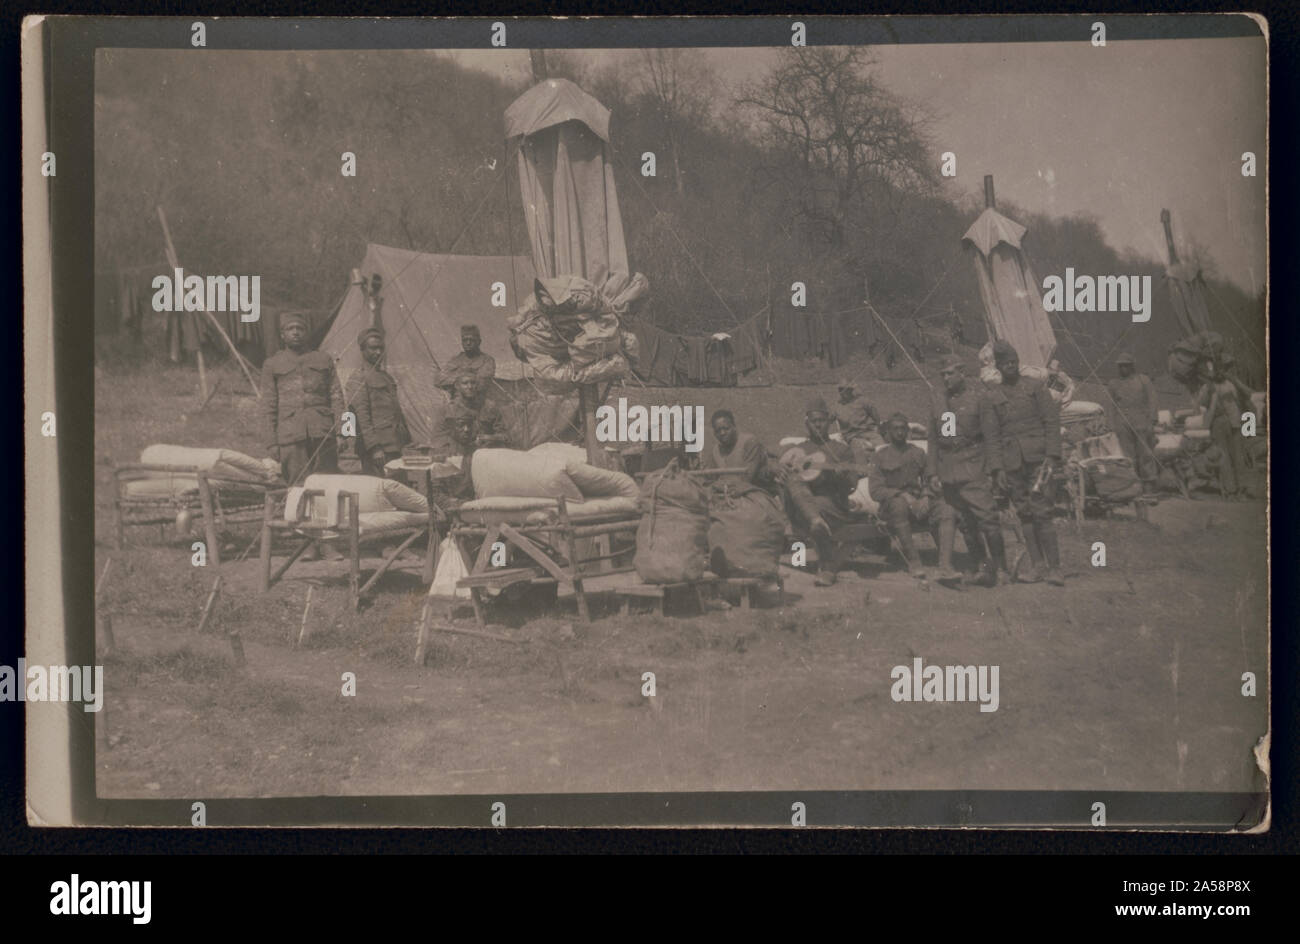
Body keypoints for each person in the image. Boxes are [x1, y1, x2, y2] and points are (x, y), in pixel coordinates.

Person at [989, 340, 1064, 585]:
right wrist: (997, 468)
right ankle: (1037, 566)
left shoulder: (1035, 387)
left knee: (1042, 511)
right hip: (1012, 464)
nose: (1011, 366)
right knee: (1024, 513)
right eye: (1005, 363)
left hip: (1039, 460)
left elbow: (1051, 422)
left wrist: (1052, 456)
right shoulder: (994, 395)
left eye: (1014, 362)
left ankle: (1055, 569)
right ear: (998, 366)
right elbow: (993, 436)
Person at [926, 355, 1005, 585]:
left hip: (974, 466)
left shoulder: (980, 399)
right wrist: (932, 472)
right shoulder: (938, 400)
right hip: (949, 471)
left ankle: (1001, 569)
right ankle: (980, 564)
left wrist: (996, 469)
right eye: (942, 374)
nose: (945, 378)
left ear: (963, 374)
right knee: (965, 523)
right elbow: (933, 439)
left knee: (987, 519)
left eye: (950, 373)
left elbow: (991, 437)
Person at [783, 398, 869, 587]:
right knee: (791, 481)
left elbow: (851, 485)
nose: (817, 424)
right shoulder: (798, 450)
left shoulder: (842, 450)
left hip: (832, 504)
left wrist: (840, 476)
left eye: (821, 420)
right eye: (813, 420)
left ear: (829, 422)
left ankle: (828, 567)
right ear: (807, 423)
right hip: (799, 505)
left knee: (819, 506)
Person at [261, 313, 343, 485]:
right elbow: (267, 407)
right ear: (282, 335)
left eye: (300, 328)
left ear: (307, 333)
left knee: (327, 484)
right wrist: (271, 444)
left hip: (323, 433)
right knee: (297, 486)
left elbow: (339, 398)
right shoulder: (272, 364)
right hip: (290, 437)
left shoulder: (323, 359)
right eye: (290, 329)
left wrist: (345, 433)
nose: (296, 332)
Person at [870, 412, 949, 580]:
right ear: (889, 432)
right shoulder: (880, 455)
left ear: (908, 431)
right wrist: (901, 495)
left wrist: (926, 496)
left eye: (903, 429)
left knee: (945, 509)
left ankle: (946, 564)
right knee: (899, 505)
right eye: (895, 429)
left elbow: (930, 478)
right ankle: (914, 562)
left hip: (918, 502)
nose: (899, 432)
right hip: (891, 508)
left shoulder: (918, 452)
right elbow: (875, 490)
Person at [345, 327, 411, 475]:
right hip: (377, 449)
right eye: (373, 348)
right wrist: (374, 447)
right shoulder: (358, 378)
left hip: (393, 444)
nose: (378, 352)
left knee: (397, 488)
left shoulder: (386, 377)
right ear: (362, 350)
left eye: (381, 348)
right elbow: (361, 416)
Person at [1198, 356, 1255, 499]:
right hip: (1218, 424)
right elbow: (1201, 406)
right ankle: (1230, 490)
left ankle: (1242, 488)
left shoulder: (1231, 383)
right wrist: (1211, 393)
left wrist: (1234, 381)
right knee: (1223, 458)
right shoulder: (1207, 387)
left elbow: (1248, 395)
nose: (1220, 373)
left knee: (1238, 456)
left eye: (1222, 370)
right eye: (1217, 370)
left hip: (1236, 423)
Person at [1106, 352, 1159, 494]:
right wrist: (1111, 425)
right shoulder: (1113, 384)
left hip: (1142, 422)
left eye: (1126, 366)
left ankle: (1149, 486)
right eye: (1120, 366)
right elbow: (1111, 406)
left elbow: (1152, 399)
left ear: (1132, 366)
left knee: (1145, 454)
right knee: (1127, 456)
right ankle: (1132, 487)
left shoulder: (1144, 380)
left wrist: (1153, 419)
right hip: (1123, 424)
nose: (1123, 369)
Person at [701, 410, 780, 492]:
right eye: (718, 431)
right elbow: (711, 480)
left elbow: (747, 478)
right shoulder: (715, 451)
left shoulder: (749, 442)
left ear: (734, 427)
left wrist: (719, 485)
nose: (722, 433)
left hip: (755, 491)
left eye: (726, 428)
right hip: (727, 493)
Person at [447, 372, 511, 449]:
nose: (470, 387)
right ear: (457, 386)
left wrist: (489, 438)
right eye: (465, 383)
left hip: (484, 452)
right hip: (459, 453)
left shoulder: (489, 407)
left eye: (473, 383)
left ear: (477, 385)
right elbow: (442, 436)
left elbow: (505, 436)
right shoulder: (450, 409)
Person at [437, 324, 496, 398]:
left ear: (479, 342)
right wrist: (466, 373)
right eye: (465, 340)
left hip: (478, 402)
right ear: (462, 342)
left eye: (472, 340)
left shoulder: (487, 360)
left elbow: (481, 383)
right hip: (457, 402)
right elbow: (439, 380)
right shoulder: (455, 360)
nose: (468, 343)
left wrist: (456, 375)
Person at [834, 380, 883, 465]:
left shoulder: (863, 401)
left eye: (846, 389)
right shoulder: (838, 406)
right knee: (858, 448)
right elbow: (828, 420)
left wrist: (878, 428)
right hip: (851, 435)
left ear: (851, 390)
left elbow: (875, 414)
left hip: (867, 431)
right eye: (840, 389)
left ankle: (885, 467)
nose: (843, 392)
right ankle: (862, 471)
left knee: (881, 444)